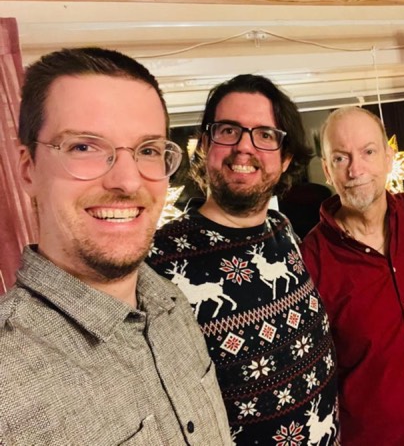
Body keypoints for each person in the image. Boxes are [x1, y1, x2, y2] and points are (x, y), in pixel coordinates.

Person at [0, 47, 232, 444]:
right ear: (28, 169)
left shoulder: (169, 300)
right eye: (84, 147)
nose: (127, 181)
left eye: (148, 150)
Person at [147, 74, 340, 444]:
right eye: (228, 131)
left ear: (285, 158)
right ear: (205, 144)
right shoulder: (157, 260)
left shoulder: (283, 228)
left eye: (264, 135)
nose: (244, 147)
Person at [301, 106, 404, 445]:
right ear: (327, 170)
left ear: (389, 158)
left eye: (368, 152)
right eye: (340, 158)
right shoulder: (308, 260)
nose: (356, 169)